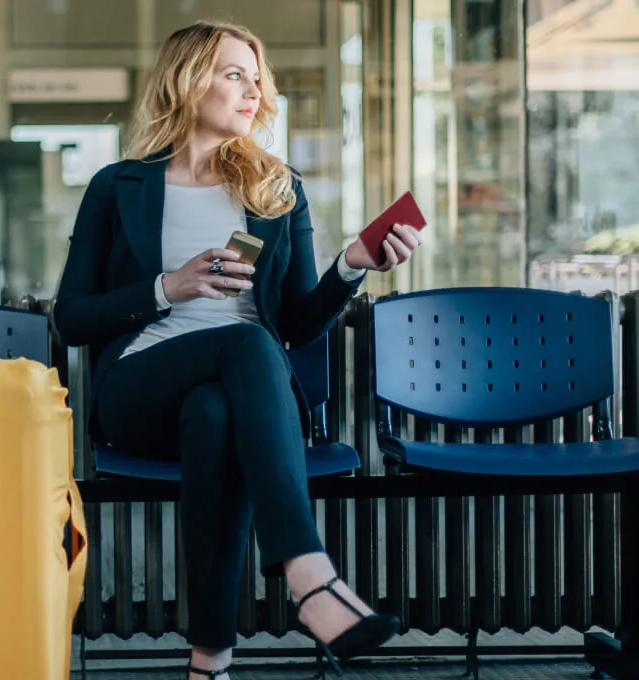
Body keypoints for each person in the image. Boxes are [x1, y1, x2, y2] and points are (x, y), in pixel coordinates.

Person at [51, 20, 424, 680]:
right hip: (139, 387)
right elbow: (72, 317)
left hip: (240, 397)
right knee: (248, 345)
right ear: (187, 81)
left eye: (257, 78)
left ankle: (209, 662)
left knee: (218, 411)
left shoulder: (276, 190)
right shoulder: (118, 186)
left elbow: (301, 323)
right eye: (233, 74)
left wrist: (352, 263)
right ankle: (309, 575)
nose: (252, 91)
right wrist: (171, 286)